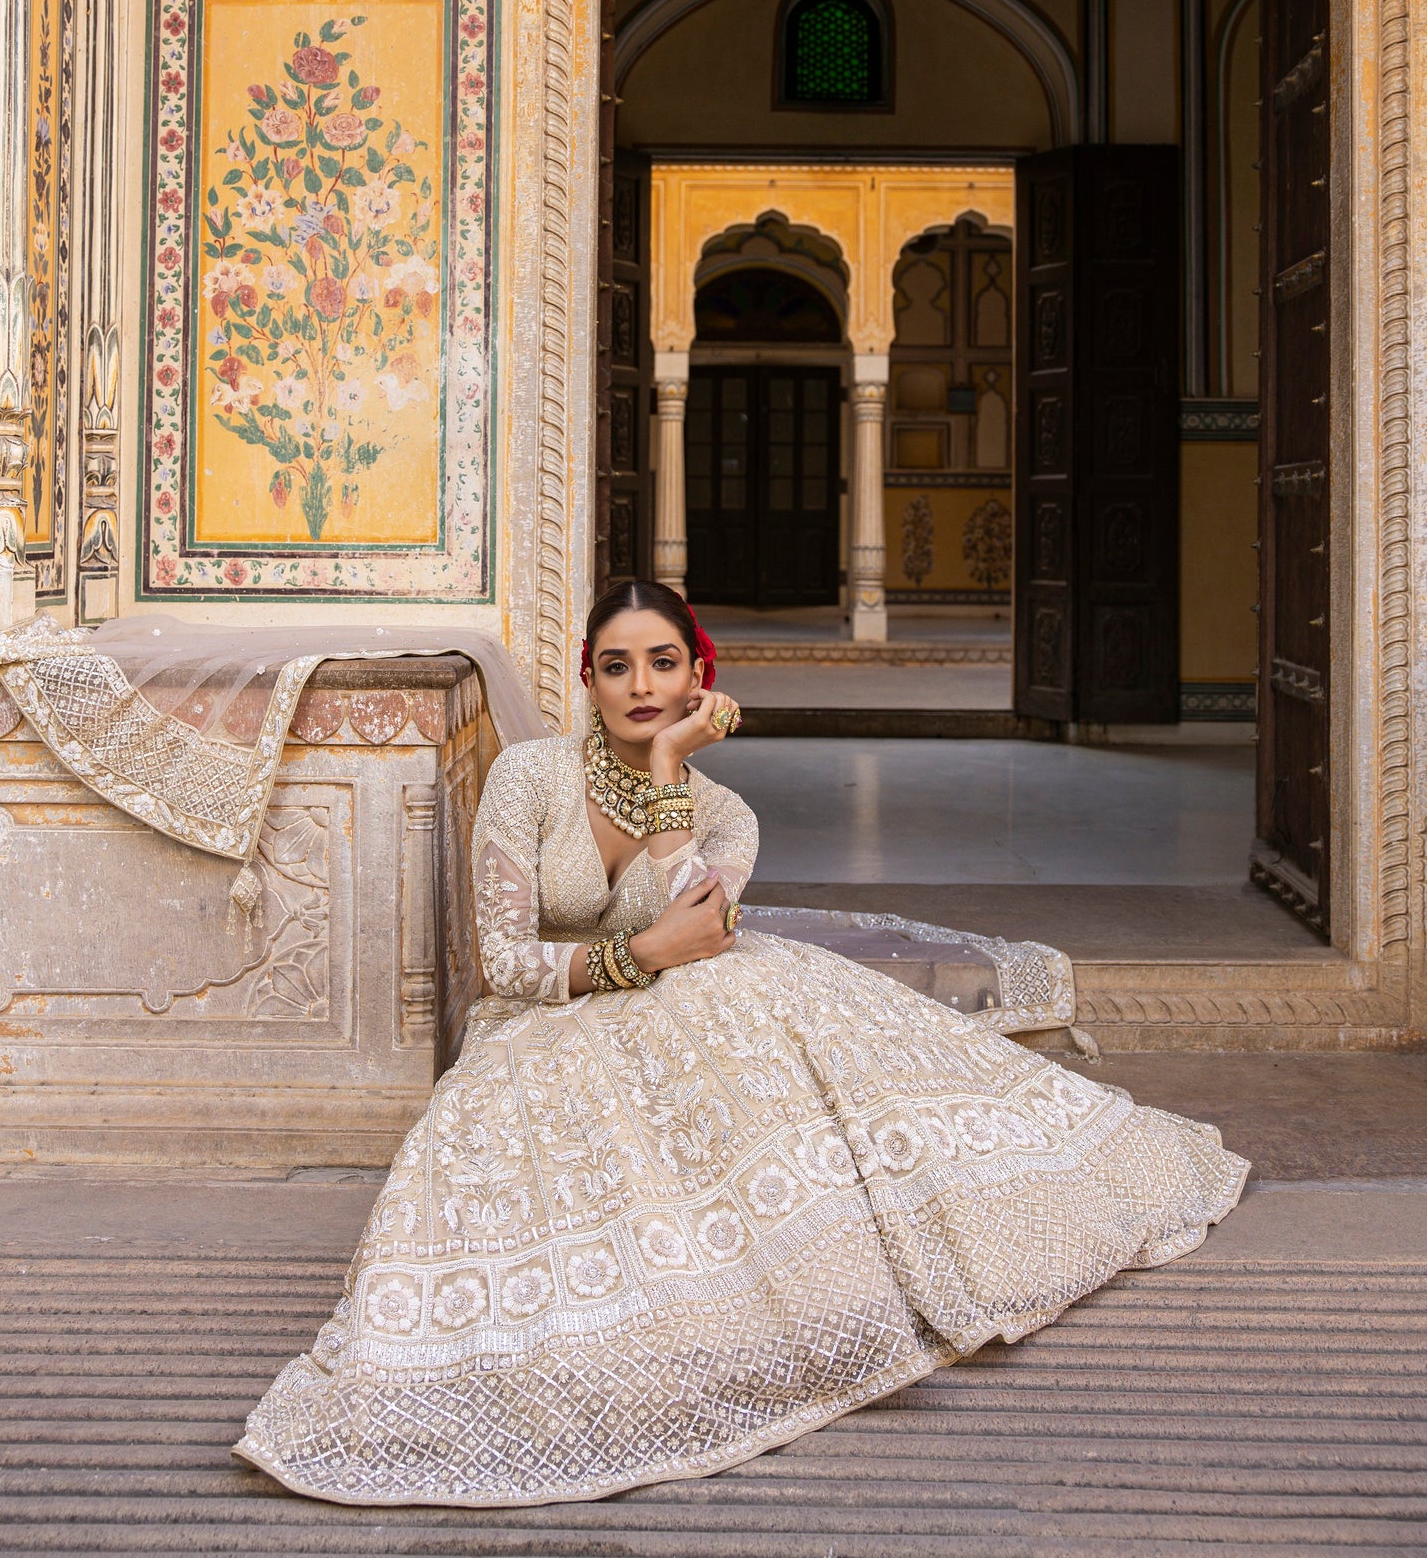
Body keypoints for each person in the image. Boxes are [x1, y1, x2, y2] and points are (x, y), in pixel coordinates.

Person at [236, 578, 1247, 1509]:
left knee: (743, 1017)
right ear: (585, 676)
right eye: (618, 664)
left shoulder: (727, 813)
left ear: (698, 678)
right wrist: (638, 957)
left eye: (664, 662)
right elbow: (504, 960)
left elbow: (705, 928)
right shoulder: (529, 776)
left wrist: (669, 771)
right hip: (541, 1029)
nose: (641, 684)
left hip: (693, 1003)